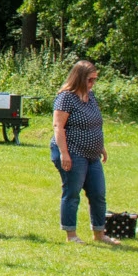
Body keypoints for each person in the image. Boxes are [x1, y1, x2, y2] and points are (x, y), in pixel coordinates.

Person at [51, 59, 110, 244]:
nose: (93, 83)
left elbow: (95, 123)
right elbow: (58, 126)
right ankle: (71, 235)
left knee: (98, 193)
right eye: (90, 80)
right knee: (72, 192)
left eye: (95, 80)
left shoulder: (91, 97)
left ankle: (99, 234)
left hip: (92, 154)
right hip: (73, 151)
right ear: (80, 78)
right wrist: (64, 153)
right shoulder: (66, 97)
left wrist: (100, 146)